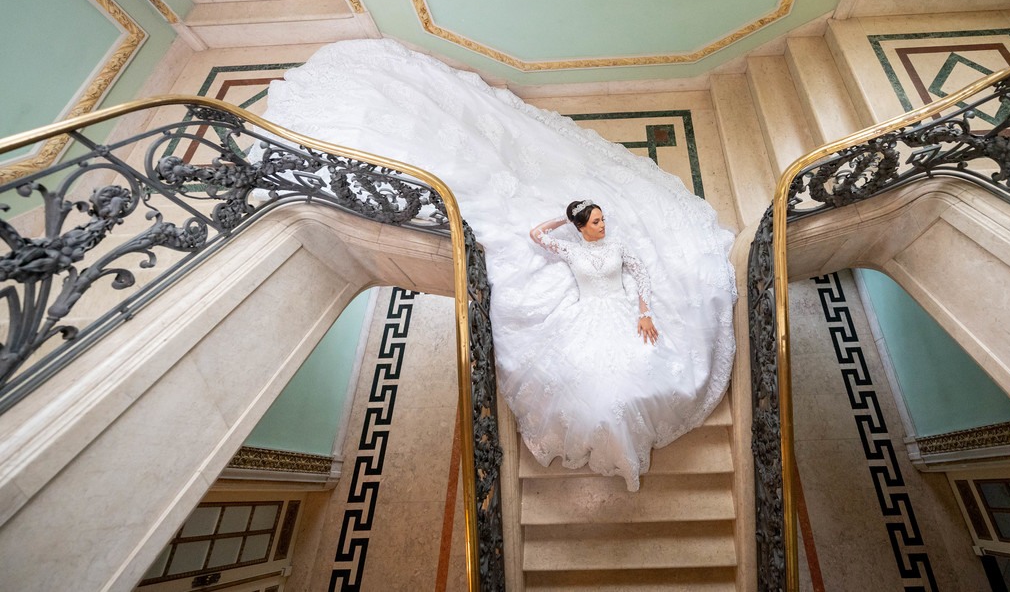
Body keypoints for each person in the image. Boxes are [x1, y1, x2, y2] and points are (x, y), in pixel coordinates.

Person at [263, 38, 736, 490]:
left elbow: (641, 272)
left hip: (617, 309)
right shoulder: (572, 247)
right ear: (581, 226)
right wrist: (564, 219)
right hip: (591, 312)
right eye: (594, 220)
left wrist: (646, 310)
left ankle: (618, 415)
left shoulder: (616, 248)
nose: (602, 225)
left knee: (624, 370)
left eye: (600, 219)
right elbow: (537, 237)